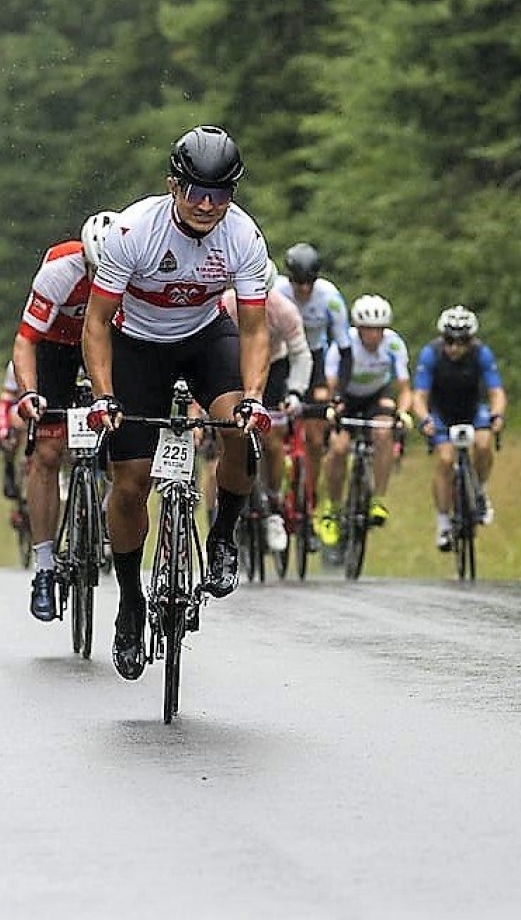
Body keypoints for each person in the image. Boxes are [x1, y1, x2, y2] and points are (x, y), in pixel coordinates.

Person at [82, 126, 272, 681]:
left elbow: (254, 329)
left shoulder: (243, 236)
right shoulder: (133, 231)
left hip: (205, 337)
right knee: (130, 483)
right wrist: (104, 396)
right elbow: (96, 323)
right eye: (195, 191)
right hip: (137, 346)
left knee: (239, 431)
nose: (207, 204)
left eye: (221, 193)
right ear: (173, 185)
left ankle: (223, 534)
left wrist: (254, 397)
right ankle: (130, 601)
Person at [10, 211, 116, 621]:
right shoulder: (59, 272)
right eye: (95, 271)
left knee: (124, 437)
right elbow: (26, 340)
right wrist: (29, 393)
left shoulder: (136, 273)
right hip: (54, 348)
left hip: (106, 344)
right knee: (48, 453)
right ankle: (43, 566)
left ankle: (107, 509)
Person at [213, 259, 311, 553]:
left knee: (272, 439)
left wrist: (295, 392)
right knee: (229, 433)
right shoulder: (225, 304)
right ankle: (229, 498)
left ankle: (274, 503)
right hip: (233, 363)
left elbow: (301, 355)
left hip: (273, 367)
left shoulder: (284, 311)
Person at [411, 305, 508, 551]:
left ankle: (480, 492)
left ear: (471, 340)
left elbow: (496, 391)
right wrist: (424, 419)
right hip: (442, 413)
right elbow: (419, 396)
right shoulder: (431, 354)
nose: (454, 347)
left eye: (462, 341)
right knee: (445, 460)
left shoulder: (481, 354)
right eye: (449, 340)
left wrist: (497, 414)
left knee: (484, 444)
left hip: (472, 410)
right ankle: (443, 523)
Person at [274, 242, 351, 545]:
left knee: (317, 437)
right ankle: (275, 489)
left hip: (315, 360)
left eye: (309, 282)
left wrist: (340, 394)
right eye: (299, 283)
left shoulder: (330, 297)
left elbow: (344, 349)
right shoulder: (278, 291)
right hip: (282, 358)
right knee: (274, 428)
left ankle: (310, 502)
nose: (304, 289)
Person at [323, 295, 414, 533]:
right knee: (339, 449)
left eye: (379, 329)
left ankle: (378, 499)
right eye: (368, 329)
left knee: (384, 432)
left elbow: (405, 388)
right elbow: (331, 382)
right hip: (347, 396)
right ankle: (333, 507)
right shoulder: (344, 344)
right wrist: (333, 406)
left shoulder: (393, 344)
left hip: (377, 395)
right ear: (358, 328)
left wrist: (403, 413)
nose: (374, 335)